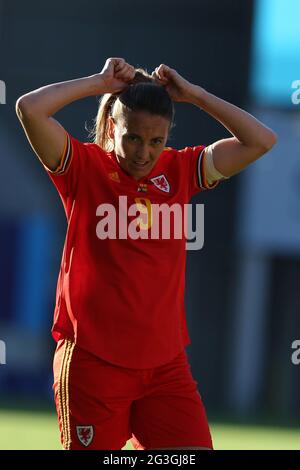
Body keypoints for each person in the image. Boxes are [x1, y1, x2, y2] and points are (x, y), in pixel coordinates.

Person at [15, 57, 277, 450]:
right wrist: (99, 83)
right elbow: (29, 108)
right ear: (111, 127)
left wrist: (195, 96)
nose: (144, 153)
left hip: (165, 367)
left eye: (157, 140)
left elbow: (261, 140)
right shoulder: (84, 168)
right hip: (94, 362)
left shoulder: (181, 170)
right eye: (133, 137)